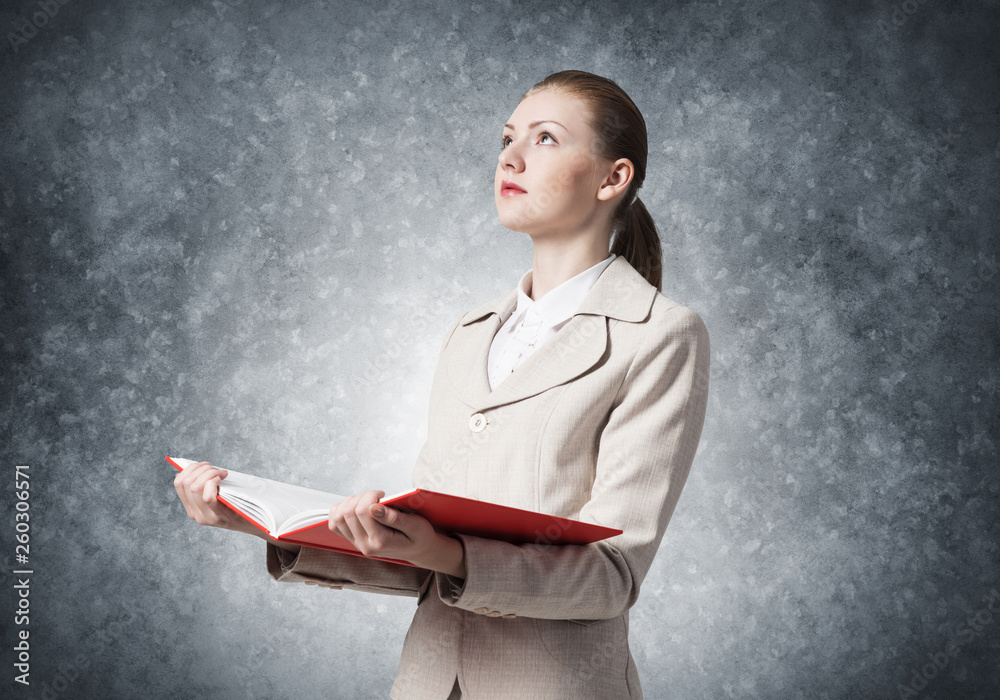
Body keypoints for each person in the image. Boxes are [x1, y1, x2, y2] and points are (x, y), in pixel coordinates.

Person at [174, 69, 710, 699]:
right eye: (507, 138)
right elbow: (425, 563)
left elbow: (612, 577)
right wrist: (266, 524)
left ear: (613, 178)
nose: (509, 157)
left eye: (544, 140)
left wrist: (451, 555)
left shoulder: (661, 335)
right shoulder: (469, 333)